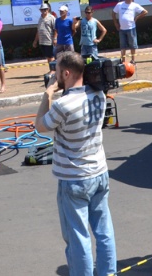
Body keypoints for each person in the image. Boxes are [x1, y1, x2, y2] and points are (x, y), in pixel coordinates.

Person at [35, 51, 117, 276]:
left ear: (67, 73)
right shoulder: (99, 95)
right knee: (103, 230)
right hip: (99, 172)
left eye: (58, 71)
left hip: (74, 178)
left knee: (78, 236)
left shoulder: (63, 105)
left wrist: (48, 93)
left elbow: (40, 125)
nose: (55, 75)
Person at [113, 0, 147, 64]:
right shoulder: (120, 4)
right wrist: (116, 23)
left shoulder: (134, 5)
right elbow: (113, 13)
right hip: (122, 29)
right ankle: (123, 61)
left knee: (132, 45)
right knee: (123, 46)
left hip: (131, 28)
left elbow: (145, 12)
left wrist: (137, 17)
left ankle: (133, 60)